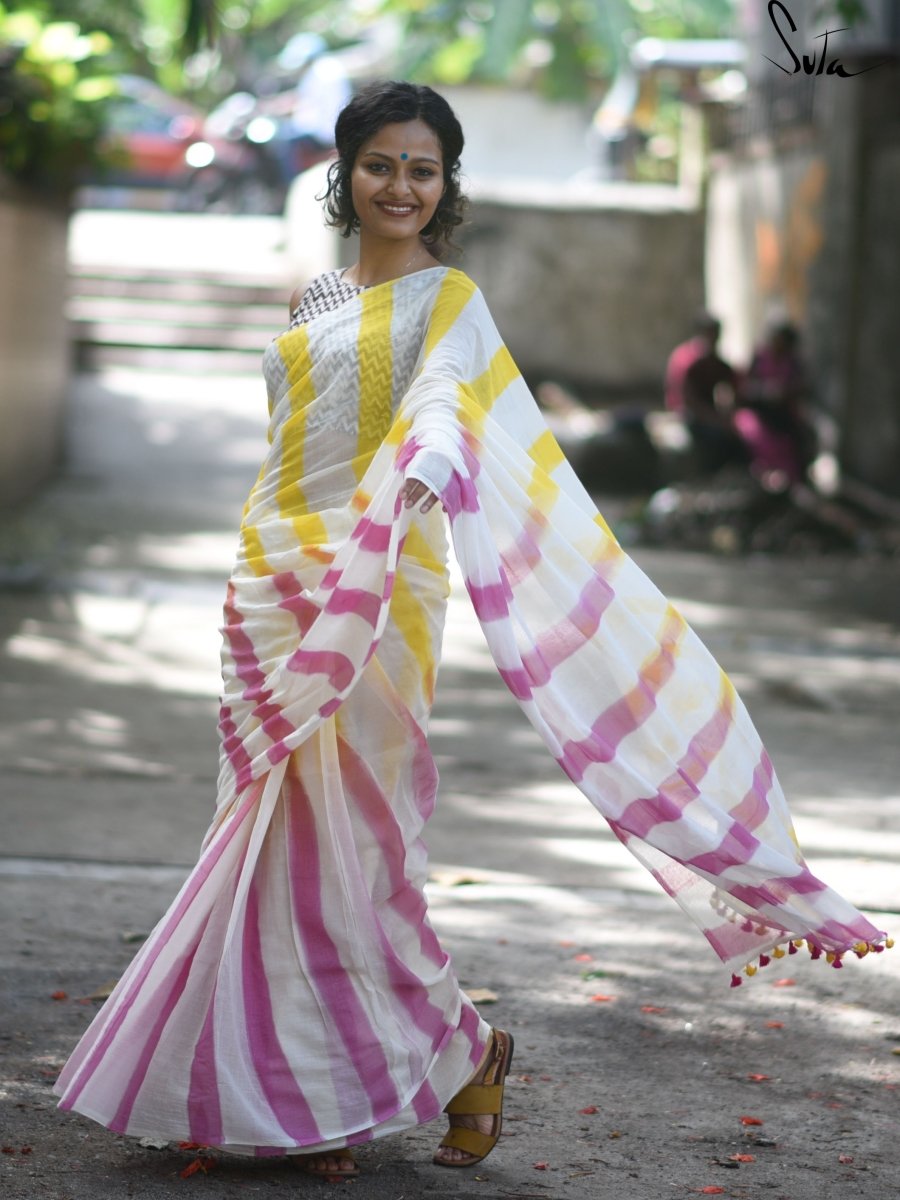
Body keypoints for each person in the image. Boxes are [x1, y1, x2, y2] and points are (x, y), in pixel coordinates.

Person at [54, 82, 890, 1179]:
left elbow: (449, 400)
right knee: (262, 849)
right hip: (269, 586)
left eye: (423, 168)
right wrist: (276, 553)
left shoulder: (449, 302)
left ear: (447, 186)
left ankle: (378, 1084)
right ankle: (327, 1084)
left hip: (379, 585)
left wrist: (431, 464)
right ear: (344, 173)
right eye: (381, 164)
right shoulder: (312, 301)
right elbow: (286, 445)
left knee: (357, 853)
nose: (401, 186)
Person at [734, 321, 816, 487]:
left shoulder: (793, 363)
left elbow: (803, 387)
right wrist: (764, 391)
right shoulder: (759, 358)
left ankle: (792, 479)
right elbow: (745, 387)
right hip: (759, 412)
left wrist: (785, 392)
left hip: (783, 414)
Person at [665, 312, 747, 476]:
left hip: (708, 413)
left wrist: (728, 414)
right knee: (717, 439)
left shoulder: (715, 360)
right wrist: (717, 421)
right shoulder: (686, 360)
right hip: (687, 413)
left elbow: (733, 385)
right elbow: (688, 401)